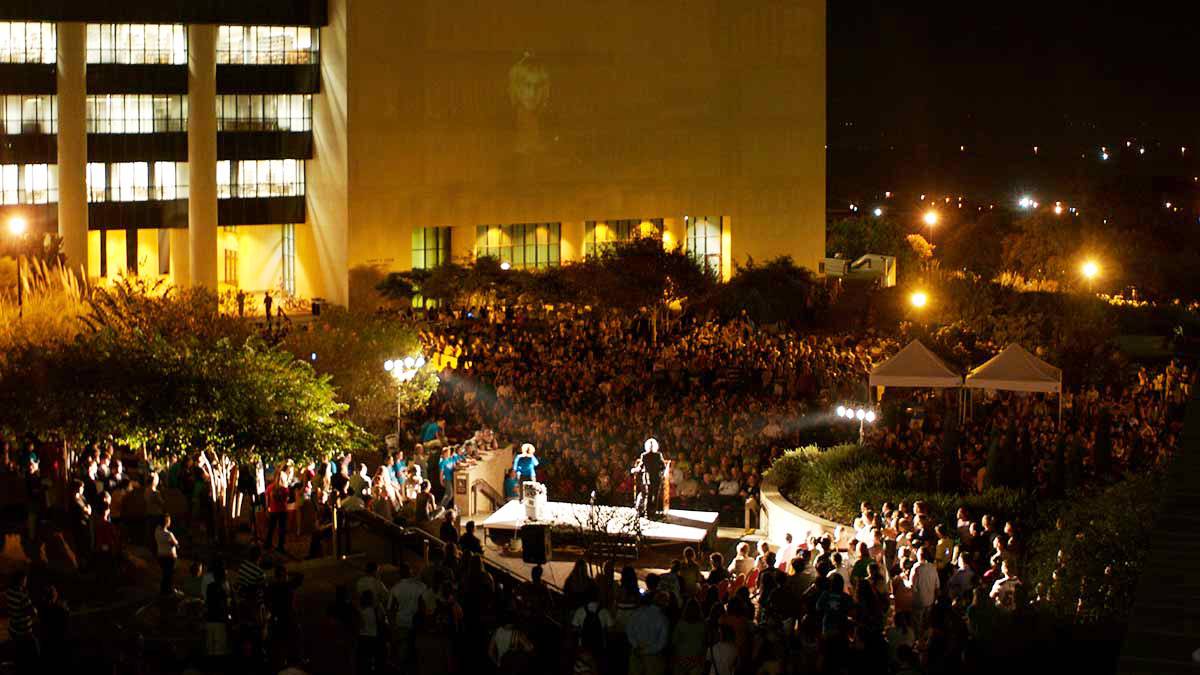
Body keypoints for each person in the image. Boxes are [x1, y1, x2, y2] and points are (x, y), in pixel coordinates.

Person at [636, 438, 667, 517]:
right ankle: (652, 512)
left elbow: (640, 466)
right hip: (655, 477)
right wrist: (660, 472)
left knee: (650, 495)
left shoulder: (645, 455)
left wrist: (637, 469)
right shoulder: (657, 455)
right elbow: (663, 466)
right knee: (653, 495)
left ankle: (649, 512)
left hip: (649, 478)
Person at [265, 470, 290, 553]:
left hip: (273, 510)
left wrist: (268, 508)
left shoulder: (269, 487)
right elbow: (286, 500)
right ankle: (280, 546)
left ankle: (268, 544)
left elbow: (267, 500)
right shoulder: (285, 489)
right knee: (281, 529)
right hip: (282, 510)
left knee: (271, 528)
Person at [155, 513, 179, 596]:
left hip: (160, 556)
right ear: (167, 521)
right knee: (169, 575)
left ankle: (164, 591)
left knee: (165, 574)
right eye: (169, 520)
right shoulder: (169, 534)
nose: (170, 521)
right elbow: (176, 544)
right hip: (169, 557)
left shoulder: (157, 532)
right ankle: (169, 591)